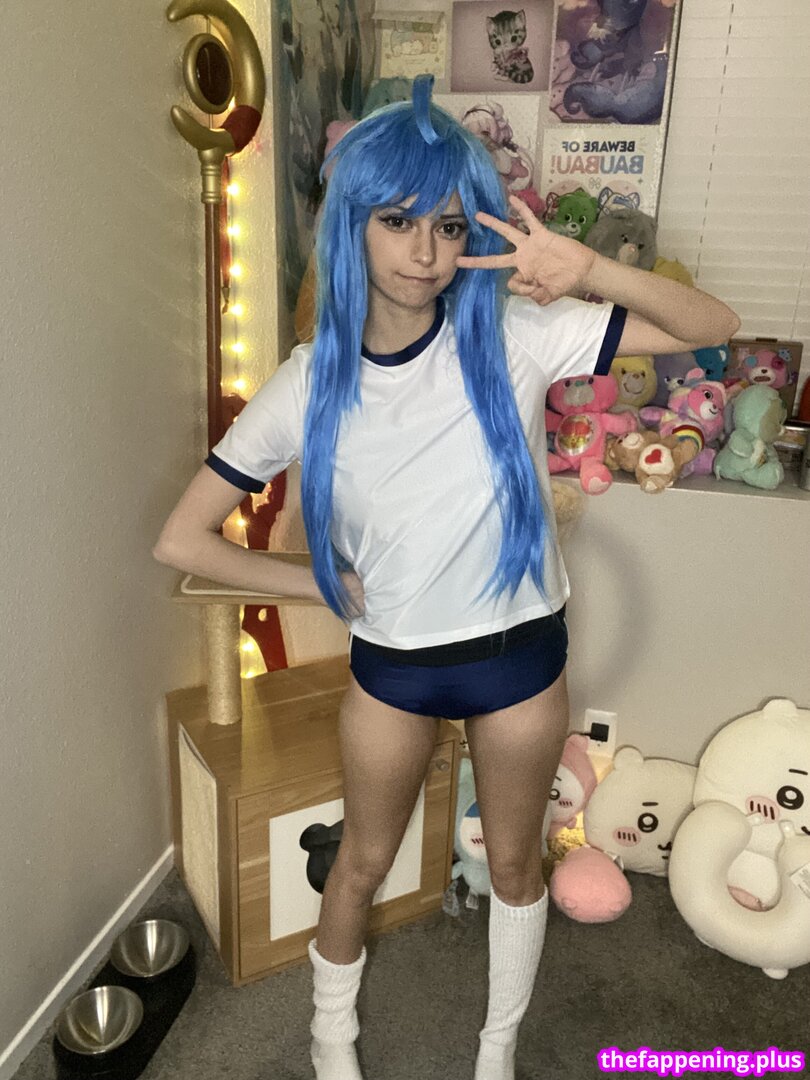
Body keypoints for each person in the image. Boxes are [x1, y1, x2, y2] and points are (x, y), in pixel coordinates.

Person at [153, 76, 739, 1080]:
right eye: (397, 220)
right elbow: (183, 539)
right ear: (353, 226)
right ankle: (331, 1041)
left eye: (448, 223)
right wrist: (318, 586)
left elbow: (709, 322)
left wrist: (591, 268)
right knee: (362, 864)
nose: (425, 250)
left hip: (520, 659)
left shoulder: (514, 332)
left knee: (515, 865)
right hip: (395, 669)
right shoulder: (309, 381)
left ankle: (495, 1051)